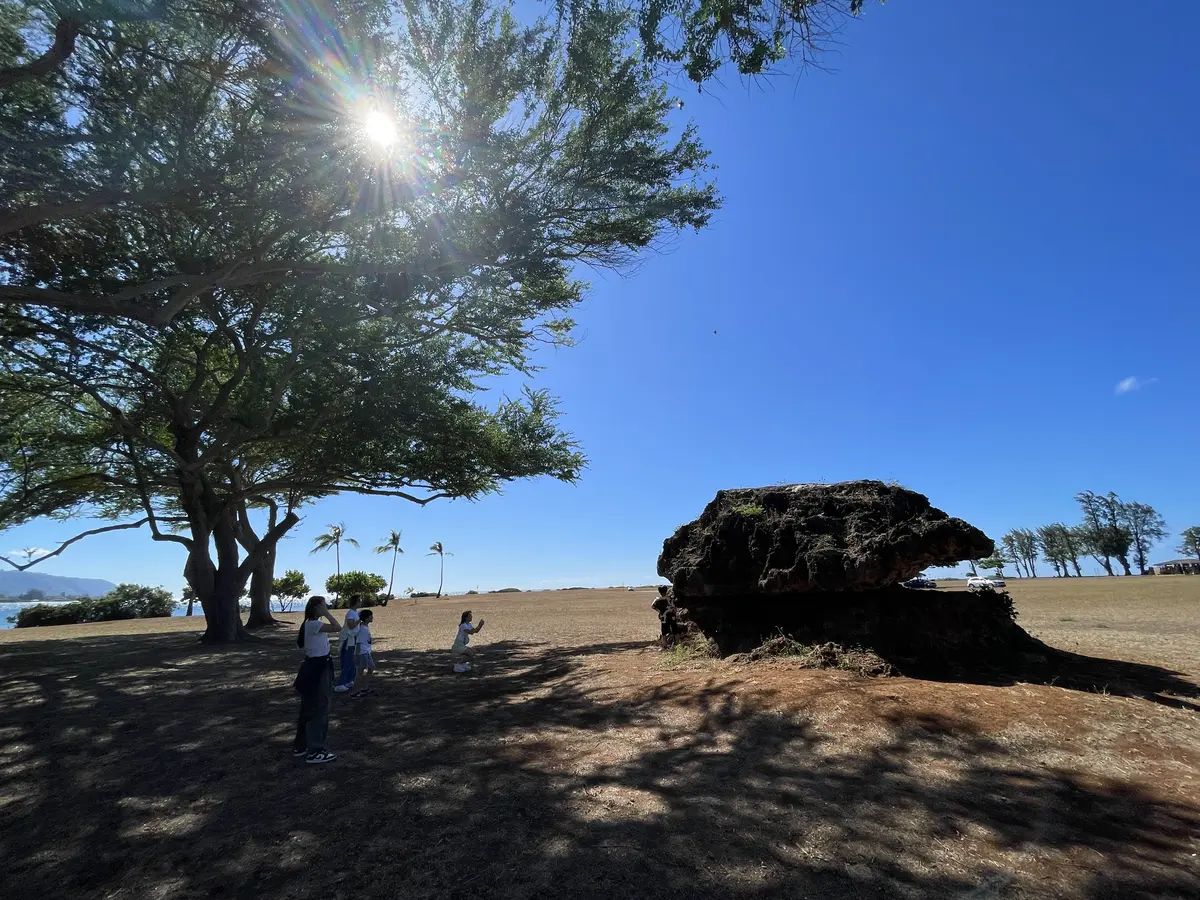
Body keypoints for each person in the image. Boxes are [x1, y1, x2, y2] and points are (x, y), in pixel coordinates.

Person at [293, 595, 341, 764]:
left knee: (308, 707)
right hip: (319, 669)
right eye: (323, 605)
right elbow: (337, 627)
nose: (326, 607)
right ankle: (315, 751)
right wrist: (327, 614)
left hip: (312, 667)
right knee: (320, 708)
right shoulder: (314, 624)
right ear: (316, 608)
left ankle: (301, 746)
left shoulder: (309, 624)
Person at [334, 596, 361, 693]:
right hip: (348, 639)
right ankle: (341, 683)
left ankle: (350, 680)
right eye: (359, 600)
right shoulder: (350, 613)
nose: (360, 602)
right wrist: (359, 620)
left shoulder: (355, 613)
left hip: (353, 639)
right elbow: (351, 626)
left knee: (352, 661)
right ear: (355, 602)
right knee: (347, 661)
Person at [352, 609, 376, 697]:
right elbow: (358, 643)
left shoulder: (364, 627)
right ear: (366, 618)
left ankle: (365, 688)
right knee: (360, 672)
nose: (372, 617)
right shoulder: (363, 629)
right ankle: (355, 692)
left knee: (371, 668)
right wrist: (357, 655)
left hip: (366, 652)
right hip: (362, 653)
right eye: (371, 616)